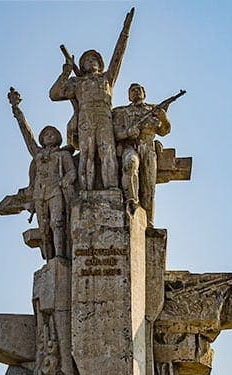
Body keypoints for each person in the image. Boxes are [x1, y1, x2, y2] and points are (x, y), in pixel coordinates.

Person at [50, 8, 134, 191]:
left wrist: (125, 31)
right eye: (86, 60)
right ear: (82, 65)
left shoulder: (107, 78)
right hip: (86, 118)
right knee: (87, 154)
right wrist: (66, 71)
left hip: (104, 117)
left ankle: (112, 189)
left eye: (94, 59)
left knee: (107, 152)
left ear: (100, 63)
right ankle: (86, 191)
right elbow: (55, 94)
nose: (91, 62)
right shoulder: (77, 82)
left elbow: (118, 57)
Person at [7, 88, 76, 259]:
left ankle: (60, 255)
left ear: (58, 137)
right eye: (45, 134)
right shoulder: (37, 154)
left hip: (56, 191)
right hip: (40, 193)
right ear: (42, 139)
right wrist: (17, 110)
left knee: (57, 223)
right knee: (44, 227)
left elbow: (72, 172)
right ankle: (50, 259)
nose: (48, 136)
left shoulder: (63, 154)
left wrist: (66, 181)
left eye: (52, 133)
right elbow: (27, 135)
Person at [112, 83, 170, 224]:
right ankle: (132, 201)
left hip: (148, 147)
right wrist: (127, 133)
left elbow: (164, 131)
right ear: (128, 95)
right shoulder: (122, 112)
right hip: (130, 146)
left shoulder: (154, 110)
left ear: (144, 93)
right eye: (132, 90)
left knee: (149, 186)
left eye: (139, 89)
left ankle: (148, 221)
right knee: (130, 164)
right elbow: (114, 134)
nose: (136, 92)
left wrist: (163, 118)